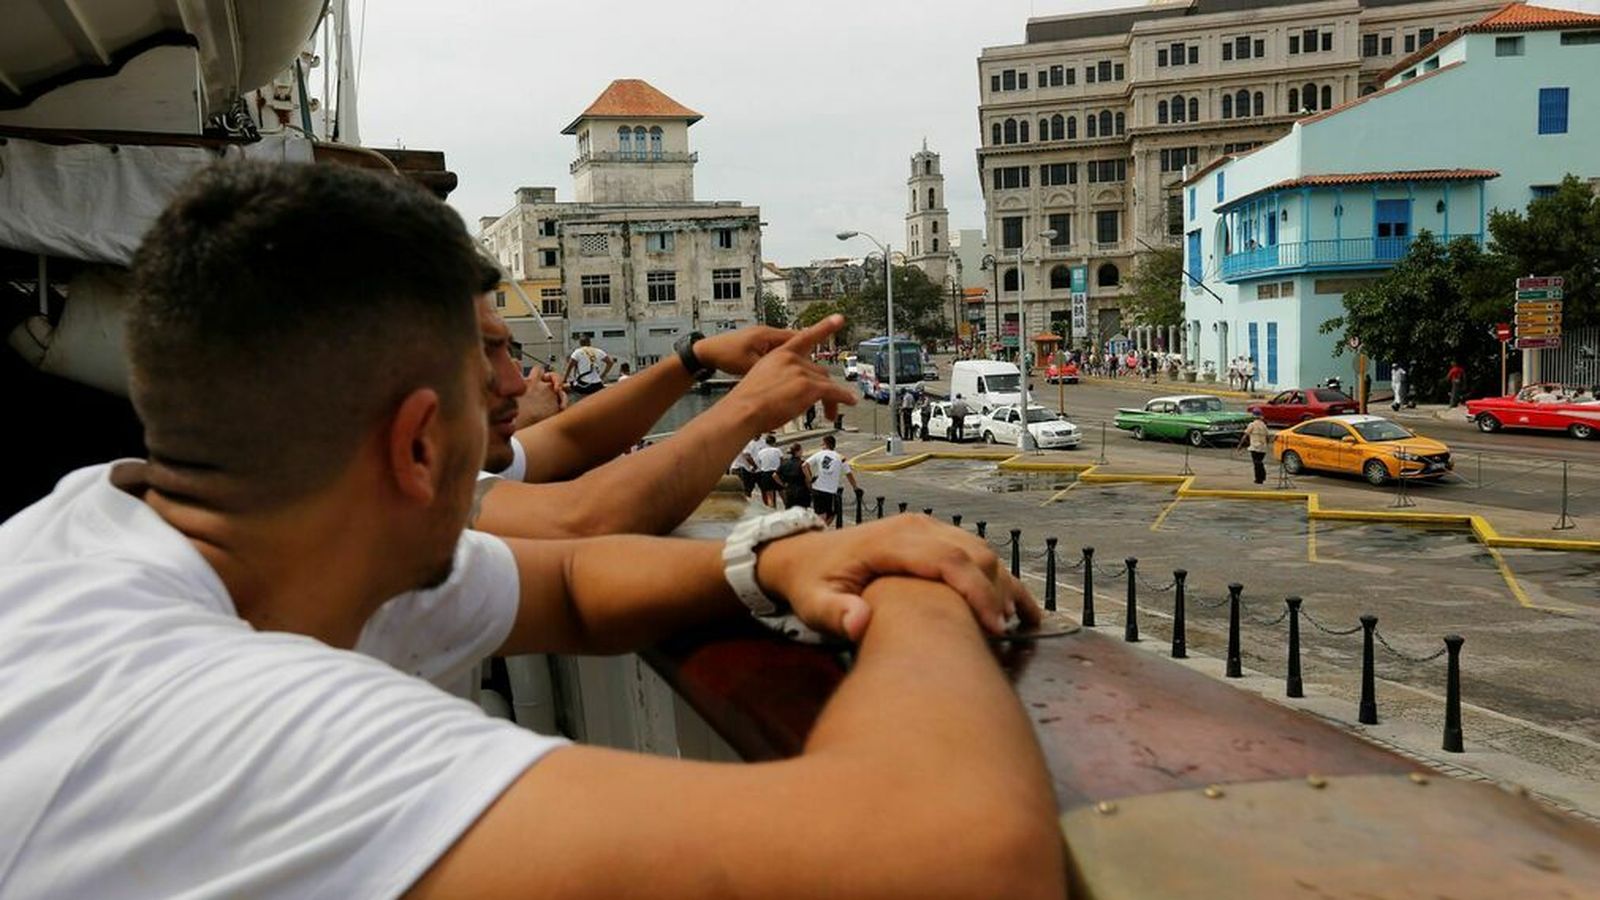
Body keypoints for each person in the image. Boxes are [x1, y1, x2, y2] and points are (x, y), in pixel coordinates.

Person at [0, 162, 1062, 899]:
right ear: (420, 446)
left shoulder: (123, 529)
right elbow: (952, 860)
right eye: (482, 379)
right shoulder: (230, 730)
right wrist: (919, 589)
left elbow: (566, 586)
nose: (510, 397)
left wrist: (781, 554)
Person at [805, 434, 860, 526]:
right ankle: (820, 531)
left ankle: (819, 530)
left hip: (817, 488)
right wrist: (855, 487)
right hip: (830, 491)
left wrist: (810, 480)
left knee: (820, 514)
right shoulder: (840, 457)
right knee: (832, 513)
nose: (821, 446)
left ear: (826, 444)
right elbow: (849, 474)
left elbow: (804, 466)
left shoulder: (819, 454)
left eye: (822, 444)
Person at [1238, 408, 1271, 485]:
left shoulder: (1252, 425)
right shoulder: (1264, 425)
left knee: (1256, 463)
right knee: (1259, 462)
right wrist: (1266, 444)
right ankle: (1262, 477)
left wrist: (1240, 445)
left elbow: (1245, 436)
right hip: (1263, 448)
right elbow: (1267, 437)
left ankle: (1259, 479)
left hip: (1255, 447)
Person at [776, 442, 812, 510]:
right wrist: (810, 489)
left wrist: (783, 484)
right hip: (802, 491)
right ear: (797, 452)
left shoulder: (785, 463)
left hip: (789, 491)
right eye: (801, 450)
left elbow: (775, 475)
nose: (802, 451)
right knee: (803, 511)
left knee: (791, 511)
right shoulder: (802, 464)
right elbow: (807, 479)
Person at [755, 433, 784, 507]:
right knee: (783, 494)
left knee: (770, 498)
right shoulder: (777, 450)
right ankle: (788, 509)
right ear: (774, 442)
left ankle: (773, 511)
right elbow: (782, 461)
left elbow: (759, 463)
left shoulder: (760, 452)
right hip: (776, 472)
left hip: (766, 474)